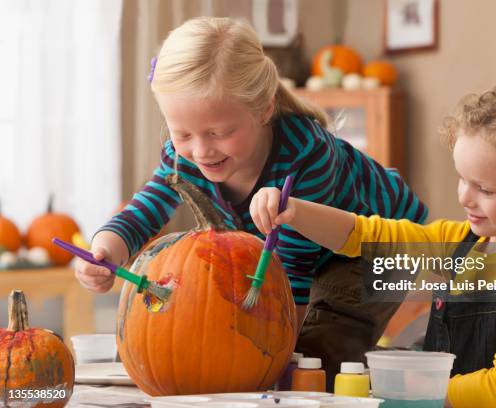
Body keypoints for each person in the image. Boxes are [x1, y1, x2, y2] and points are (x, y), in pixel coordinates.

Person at [73, 16, 427, 388]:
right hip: (306, 253)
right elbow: (150, 204)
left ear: (263, 109)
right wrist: (107, 249)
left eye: (219, 133)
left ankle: (409, 371)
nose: (201, 150)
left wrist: (267, 359)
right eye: (182, 134)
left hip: (374, 243)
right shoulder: (187, 157)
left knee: (315, 355)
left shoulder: (306, 154)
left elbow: (293, 270)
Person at [250, 81, 496, 407]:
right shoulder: (460, 243)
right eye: (462, 179)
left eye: (484, 189)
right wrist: (293, 210)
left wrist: (414, 386)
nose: (465, 197)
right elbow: (365, 235)